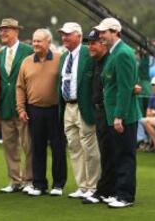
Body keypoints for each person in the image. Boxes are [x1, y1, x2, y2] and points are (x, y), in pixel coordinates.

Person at [94, 17, 141, 208]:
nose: (101, 36)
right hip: (115, 113)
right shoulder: (115, 52)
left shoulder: (122, 53)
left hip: (124, 115)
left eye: (104, 32)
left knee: (125, 156)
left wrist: (119, 115)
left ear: (115, 32)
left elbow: (124, 88)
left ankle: (125, 196)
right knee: (117, 155)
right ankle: (118, 191)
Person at [16, 28, 66, 196]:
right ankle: (39, 184)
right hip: (34, 110)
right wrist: (21, 108)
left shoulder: (60, 58)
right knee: (37, 148)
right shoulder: (26, 61)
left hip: (55, 110)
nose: (35, 44)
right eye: (34, 40)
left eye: (39, 41)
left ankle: (58, 184)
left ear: (48, 42)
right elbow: (20, 87)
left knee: (58, 148)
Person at [57, 22, 100, 199]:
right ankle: (82, 186)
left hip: (84, 107)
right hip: (68, 106)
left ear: (79, 36)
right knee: (74, 147)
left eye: (68, 34)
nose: (64, 37)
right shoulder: (63, 57)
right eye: (63, 34)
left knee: (89, 148)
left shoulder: (87, 53)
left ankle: (94, 186)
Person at [0, 18, 34, 193]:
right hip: (5, 107)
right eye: (1, 30)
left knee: (28, 145)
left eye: (6, 29)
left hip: (23, 107)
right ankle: (14, 181)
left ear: (16, 31)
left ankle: (29, 180)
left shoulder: (28, 51)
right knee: (10, 146)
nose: (3, 32)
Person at [81, 29, 116, 204]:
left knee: (110, 152)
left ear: (103, 43)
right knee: (105, 152)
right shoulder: (95, 61)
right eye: (88, 43)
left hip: (110, 112)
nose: (90, 47)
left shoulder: (111, 60)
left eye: (93, 43)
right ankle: (106, 190)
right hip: (99, 112)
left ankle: (106, 191)